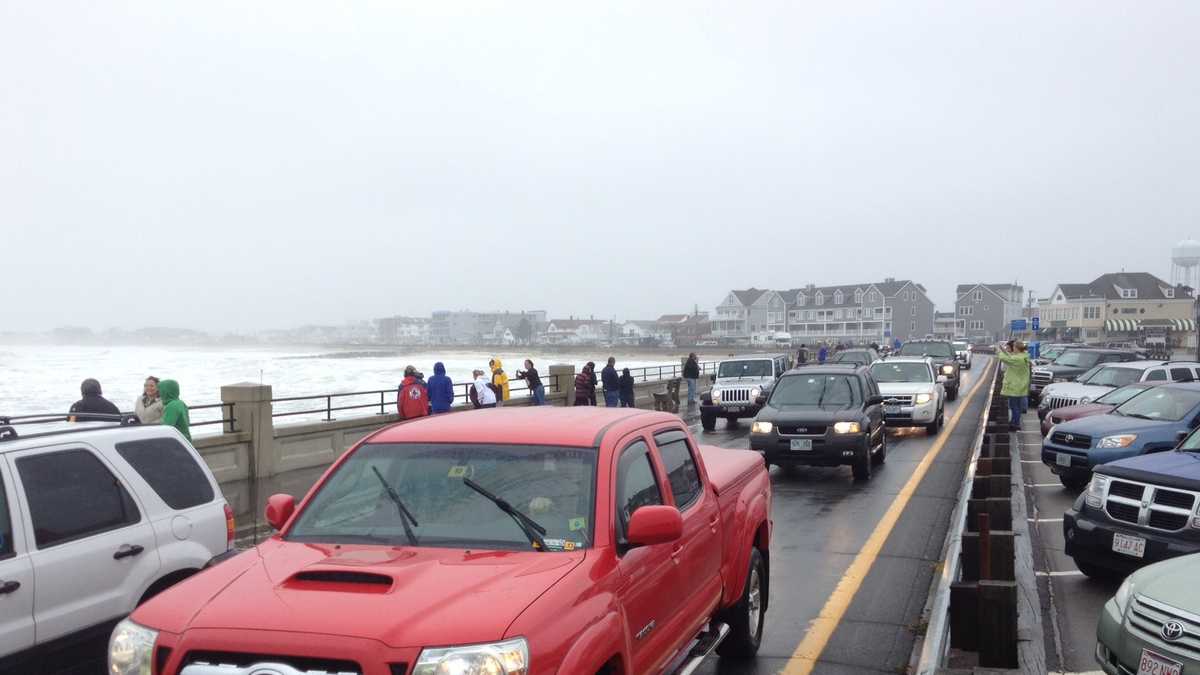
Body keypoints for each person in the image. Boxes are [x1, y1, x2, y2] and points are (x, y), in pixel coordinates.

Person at [995, 340, 1032, 431]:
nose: (1013, 349)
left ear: (1017, 348)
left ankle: (1015, 424)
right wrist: (1003, 350)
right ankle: (1015, 422)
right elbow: (1010, 357)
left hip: (1015, 386)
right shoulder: (1023, 356)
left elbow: (1005, 359)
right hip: (1021, 386)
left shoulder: (1018, 359)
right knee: (1017, 406)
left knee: (1014, 406)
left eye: (1014, 347)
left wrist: (998, 351)